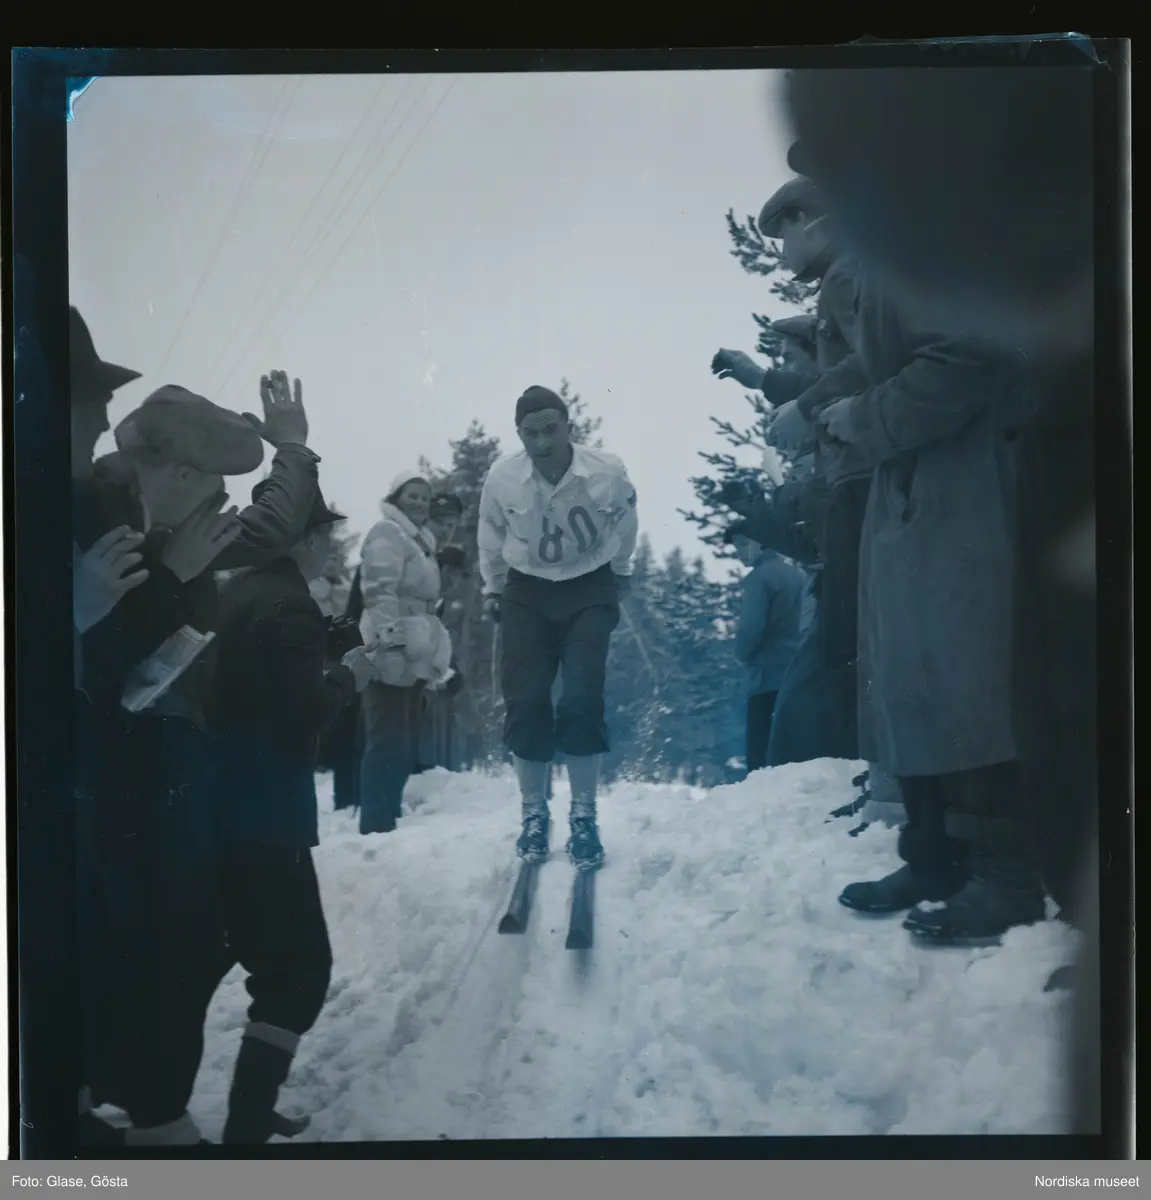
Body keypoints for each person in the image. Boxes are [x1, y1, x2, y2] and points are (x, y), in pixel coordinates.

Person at [74, 373, 321, 1145]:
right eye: (216, 489)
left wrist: (289, 448)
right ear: (180, 473)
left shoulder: (166, 517)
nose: (225, 509)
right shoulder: (100, 524)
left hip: (171, 777)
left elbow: (270, 527)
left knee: (178, 945)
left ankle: (131, 1109)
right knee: (143, 947)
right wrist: (169, 580)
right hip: (116, 788)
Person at [205, 484, 377, 1144]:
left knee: (213, 957)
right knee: (299, 971)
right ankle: (246, 1125)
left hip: (217, 809)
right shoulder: (291, 603)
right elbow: (304, 712)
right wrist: (349, 677)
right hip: (265, 817)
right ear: (305, 540)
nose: (332, 546)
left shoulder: (241, 590)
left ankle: (144, 1094)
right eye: (327, 534)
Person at [477, 385, 638, 870]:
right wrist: (494, 587)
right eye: (531, 433)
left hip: (589, 584)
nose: (542, 442)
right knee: (526, 700)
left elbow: (626, 522)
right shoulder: (503, 478)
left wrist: (621, 572)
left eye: (551, 429)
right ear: (519, 434)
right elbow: (490, 535)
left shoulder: (606, 471)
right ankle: (534, 813)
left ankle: (584, 815)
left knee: (581, 697)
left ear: (568, 426)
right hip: (527, 590)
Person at [356, 470, 453, 834]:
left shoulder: (419, 541)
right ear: (396, 497)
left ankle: (387, 818)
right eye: (412, 495)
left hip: (416, 650)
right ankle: (375, 825)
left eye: (425, 497)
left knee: (403, 739)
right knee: (387, 739)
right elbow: (379, 592)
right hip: (391, 647)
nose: (419, 502)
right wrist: (391, 643)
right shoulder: (387, 533)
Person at [726, 522, 808, 774]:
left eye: (743, 544)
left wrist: (741, 654)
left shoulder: (759, 578)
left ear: (762, 542)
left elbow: (751, 627)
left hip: (766, 673)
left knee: (760, 757)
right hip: (797, 672)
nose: (739, 552)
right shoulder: (799, 575)